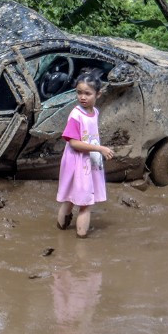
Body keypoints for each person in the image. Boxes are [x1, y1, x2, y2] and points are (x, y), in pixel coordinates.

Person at [56, 73, 114, 238]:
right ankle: (81, 243)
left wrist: (97, 150)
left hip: (87, 161)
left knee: (70, 198)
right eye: (79, 92)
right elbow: (74, 143)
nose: (82, 97)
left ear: (98, 94)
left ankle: (60, 233)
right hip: (78, 162)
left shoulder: (94, 112)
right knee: (85, 204)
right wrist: (100, 149)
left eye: (87, 93)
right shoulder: (76, 115)